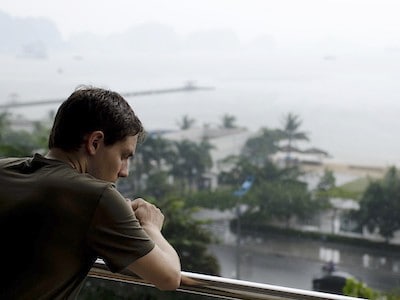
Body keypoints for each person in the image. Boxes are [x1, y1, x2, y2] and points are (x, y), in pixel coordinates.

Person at [0, 86, 181, 299]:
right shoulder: (96, 196)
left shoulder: (5, 170)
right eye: (123, 156)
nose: (124, 171)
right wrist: (151, 227)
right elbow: (169, 277)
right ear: (95, 143)